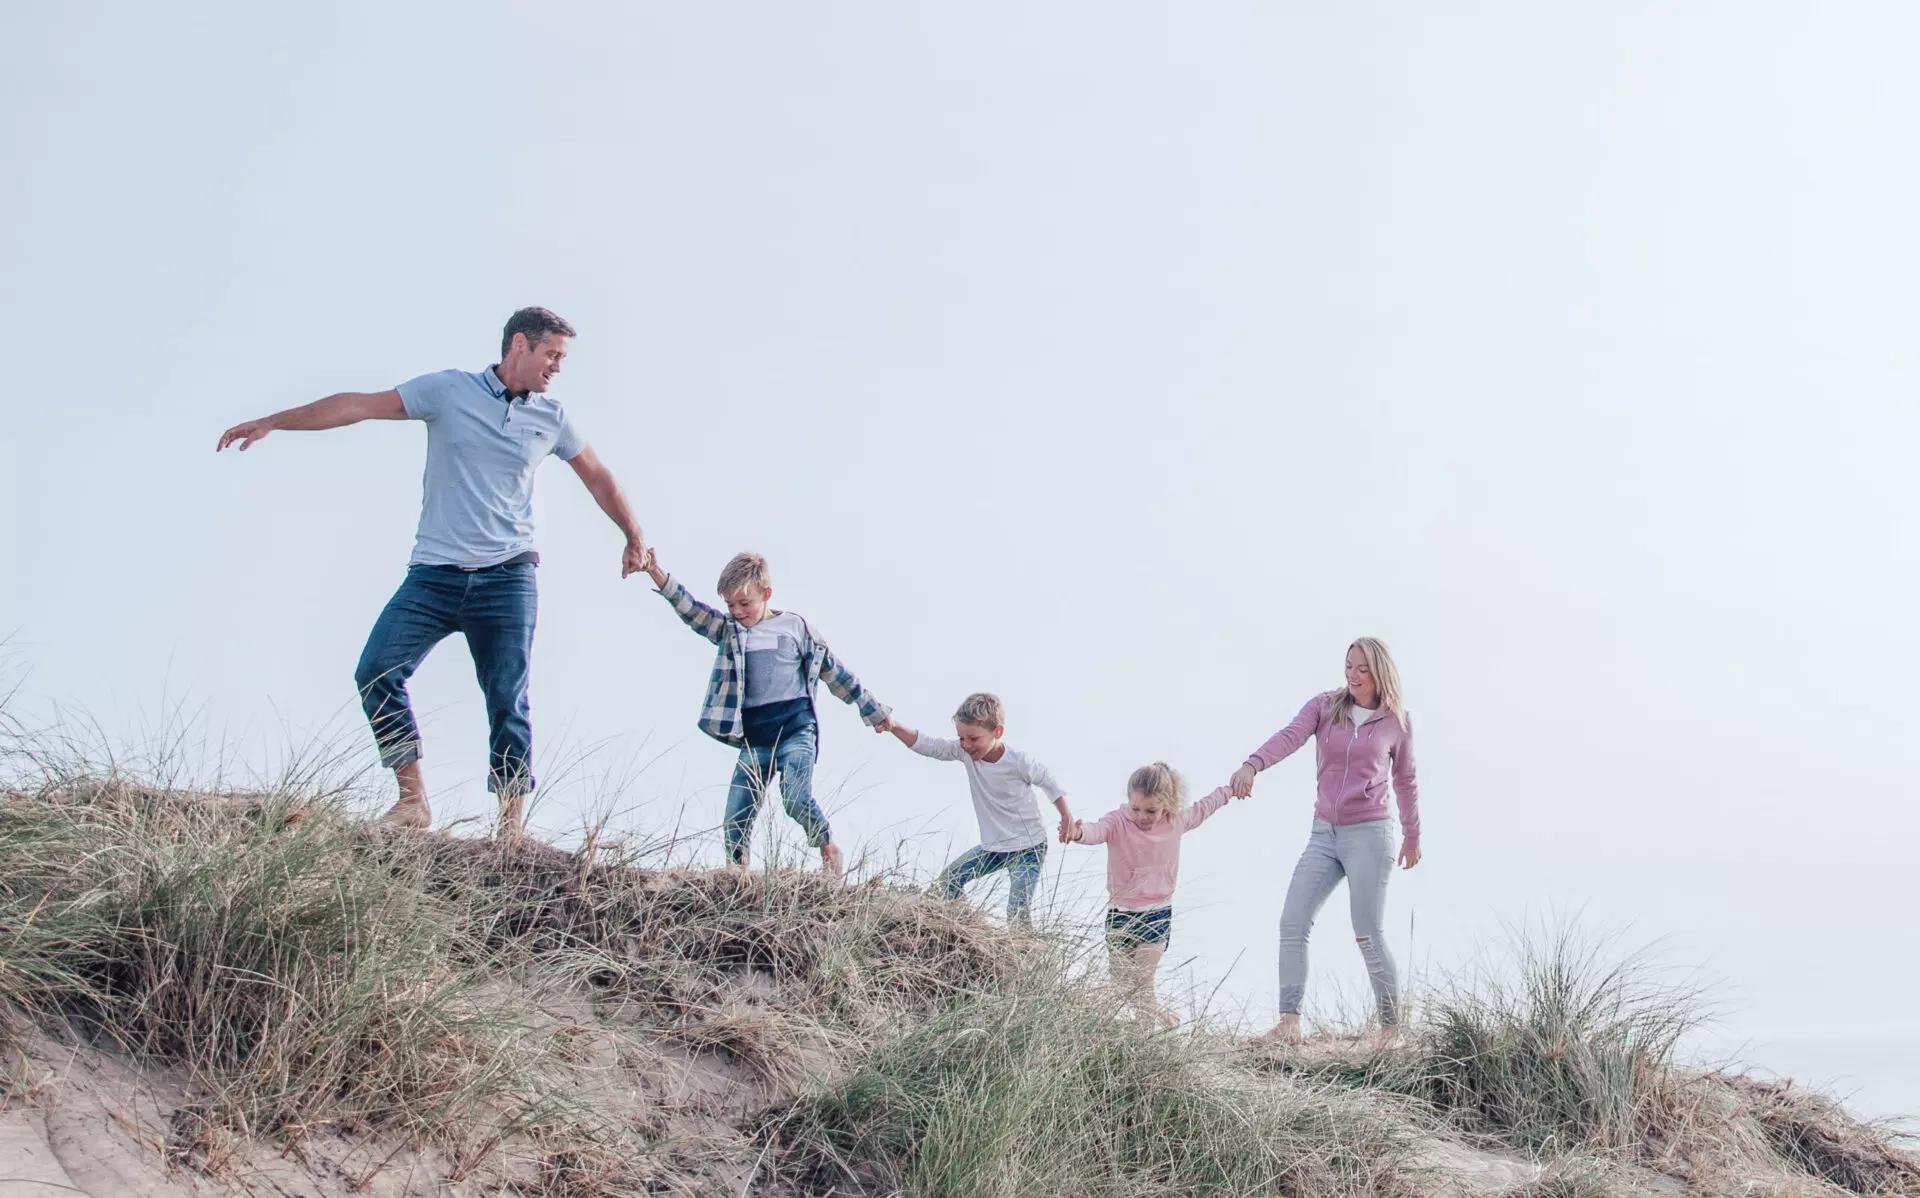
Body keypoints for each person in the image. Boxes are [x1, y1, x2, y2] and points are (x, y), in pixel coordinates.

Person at [216, 307, 647, 840]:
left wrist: (633, 536)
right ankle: (413, 800)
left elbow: (599, 476)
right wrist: (275, 420)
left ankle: (510, 829)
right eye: (552, 355)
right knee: (376, 670)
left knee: (507, 697)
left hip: (508, 578)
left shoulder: (551, 417)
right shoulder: (448, 392)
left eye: (562, 358)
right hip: (435, 574)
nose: (558, 367)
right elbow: (359, 406)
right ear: (520, 345)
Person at [641, 549, 888, 877]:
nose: (737, 611)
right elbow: (692, 611)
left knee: (796, 798)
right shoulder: (730, 630)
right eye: (730, 605)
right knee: (735, 818)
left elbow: (836, 672)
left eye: (745, 604)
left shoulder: (795, 628)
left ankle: (828, 845)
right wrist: (656, 572)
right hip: (755, 739)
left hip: (796, 730)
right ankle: (737, 878)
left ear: (766, 594)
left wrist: (873, 710)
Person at [1230, 637, 1421, 1046]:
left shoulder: (1395, 722)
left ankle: (1391, 1031)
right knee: (1293, 921)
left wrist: (1412, 836)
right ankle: (1289, 1023)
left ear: (1380, 673)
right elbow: (1290, 736)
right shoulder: (1324, 706)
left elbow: (1405, 781)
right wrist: (1252, 764)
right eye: (1349, 666)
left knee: (1367, 932)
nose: (1353, 675)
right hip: (1324, 834)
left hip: (1370, 834)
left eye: (1363, 669)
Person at [884, 692, 1072, 927]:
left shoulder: (1018, 761)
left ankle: (1026, 956)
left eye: (973, 738)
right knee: (949, 880)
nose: (966, 745)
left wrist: (1066, 817)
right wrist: (893, 726)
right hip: (993, 848)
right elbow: (928, 745)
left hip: (1029, 848)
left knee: (1016, 910)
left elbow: (1049, 782)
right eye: (961, 738)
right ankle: (968, 926)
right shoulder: (965, 753)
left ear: (998, 732)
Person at [1068, 762, 1233, 1022]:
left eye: (1151, 810)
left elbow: (1205, 806)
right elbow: (1094, 831)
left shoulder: (1176, 820)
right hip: (1119, 912)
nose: (1142, 816)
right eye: (1136, 808)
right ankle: (1164, 1018)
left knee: (1143, 983)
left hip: (1156, 912)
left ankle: (1146, 1035)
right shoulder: (1117, 821)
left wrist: (1231, 790)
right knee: (1122, 984)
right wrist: (1076, 832)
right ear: (1128, 801)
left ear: (1166, 804)